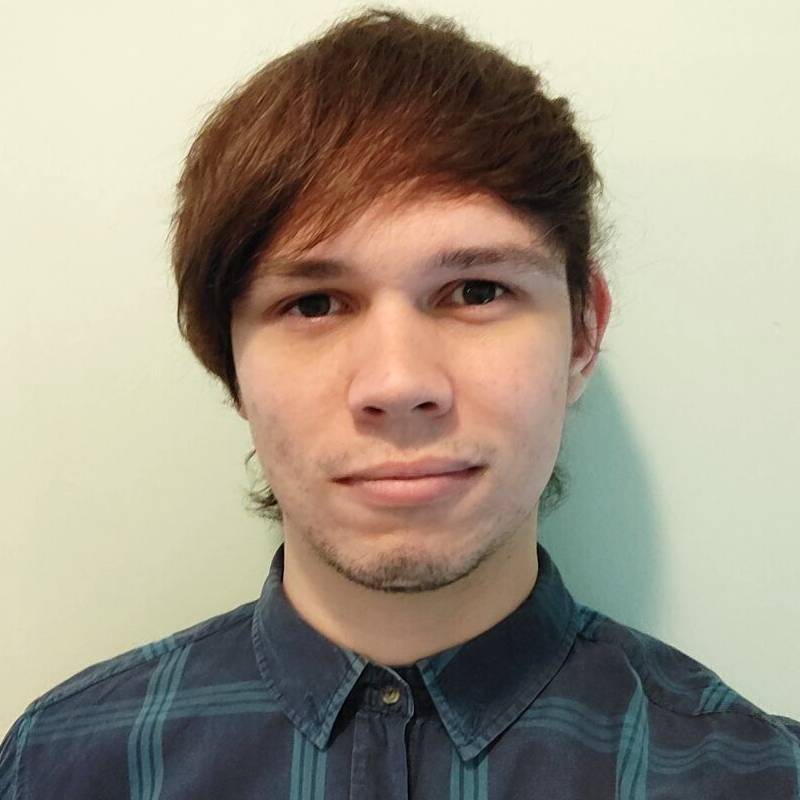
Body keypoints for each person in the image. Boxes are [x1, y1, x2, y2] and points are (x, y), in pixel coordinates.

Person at [2, 7, 798, 799]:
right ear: (228, 361)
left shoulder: (758, 779)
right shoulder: (60, 766)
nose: (398, 384)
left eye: (476, 290)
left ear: (583, 333)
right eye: (314, 303)